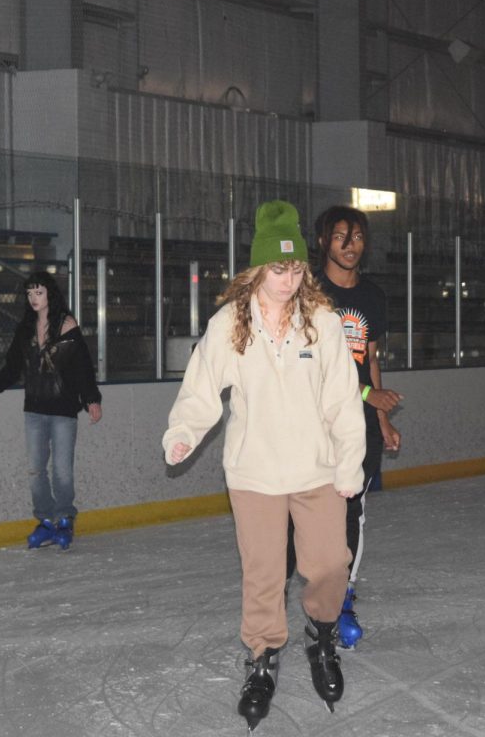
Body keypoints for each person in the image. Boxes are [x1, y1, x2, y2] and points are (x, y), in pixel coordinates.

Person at [162, 200, 366, 732]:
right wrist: (184, 433)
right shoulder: (231, 323)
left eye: (296, 267)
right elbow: (202, 388)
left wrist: (349, 465)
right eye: (278, 268)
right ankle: (262, 657)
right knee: (263, 575)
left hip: (316, 470)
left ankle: (321, 638)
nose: (288, 278)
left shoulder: (320, 321)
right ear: (256, 268)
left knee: (328, 566)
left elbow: (344, 402)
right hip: (254, 474)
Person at [286, 205, 403, 650]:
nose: (349, 245)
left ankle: (342, 601)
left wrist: (382, 417)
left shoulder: (373, 297)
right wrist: (366, 396)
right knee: (307, 516)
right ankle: (310, 598)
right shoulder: (307, 295)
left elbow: (368, 359)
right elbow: (309, 368)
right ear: (323, 242)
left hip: (359, 428)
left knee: (353, 512)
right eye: (340, 237)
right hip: (313, 425)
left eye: (356, 237)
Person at [0, 271, 103, 550]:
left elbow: (82, 367)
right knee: (36, 470)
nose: (33, 299)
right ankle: (46, 520)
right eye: (29, 294)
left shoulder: (66, 325)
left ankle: (64, 519)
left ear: (50, 295)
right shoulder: (25, 329)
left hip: (63, 409)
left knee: (61, 470)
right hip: (34, 408)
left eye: (39, 293)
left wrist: (92, 399)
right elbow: (13, 365)